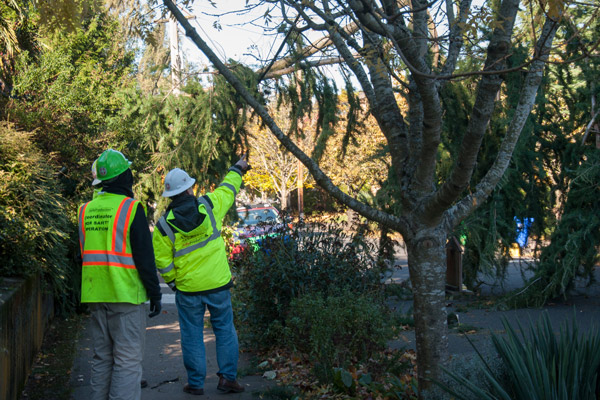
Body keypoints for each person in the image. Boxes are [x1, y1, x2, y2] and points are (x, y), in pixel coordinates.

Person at [153, 156, 249, 396]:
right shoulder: (209, 206)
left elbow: (162, 261)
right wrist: (238, 167)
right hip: (217, 285)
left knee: (192, 334)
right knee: (225, 330)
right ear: (189, 188)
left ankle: (196, 383)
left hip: (188, 289)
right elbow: (228, 189)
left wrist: (174, 282)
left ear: (170, 195)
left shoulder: (164, 225)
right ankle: (228, 379)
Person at [77, 149, 162, 400]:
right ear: (124, 176)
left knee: (102, 358)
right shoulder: (131, 208)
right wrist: (155, 293)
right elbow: (145, 258)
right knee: (127, 361)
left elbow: (83, 254)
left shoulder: (84, 211)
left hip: (95, 295)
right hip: (124, 296)